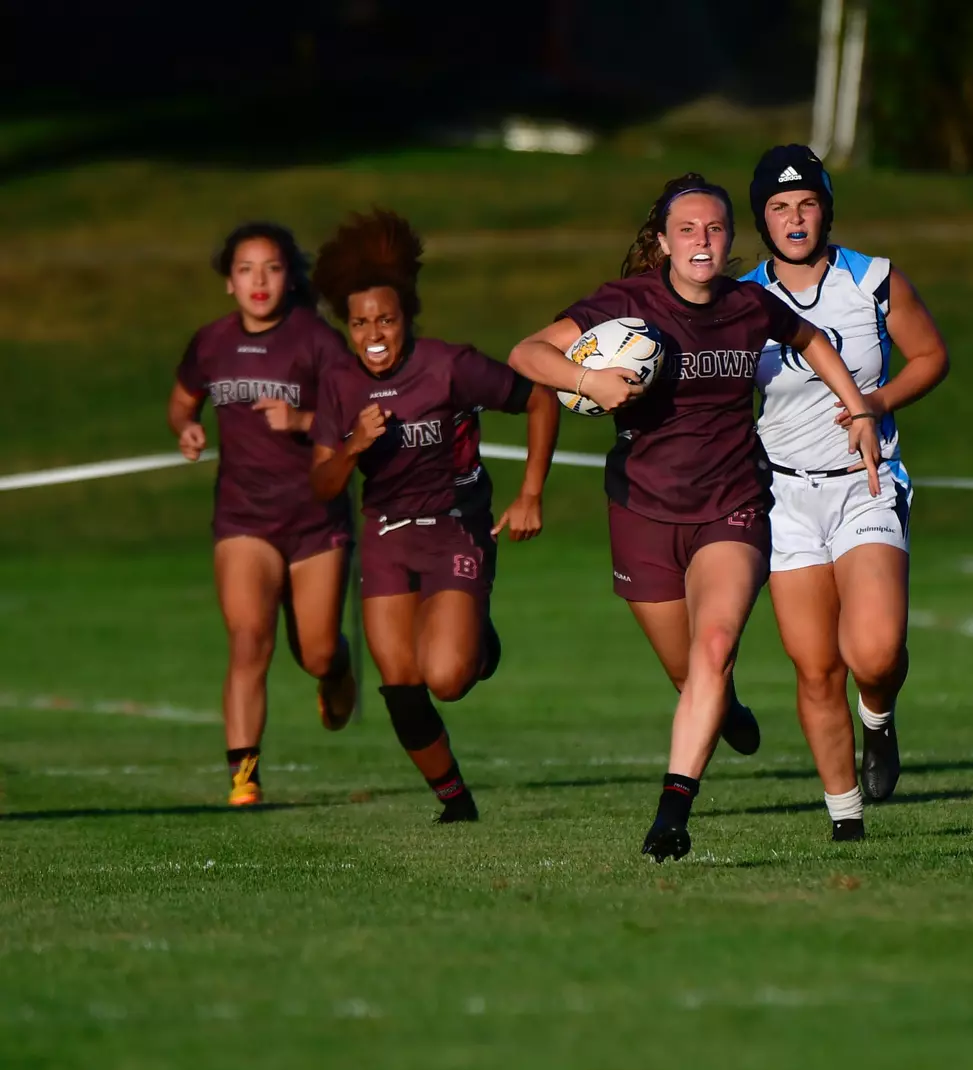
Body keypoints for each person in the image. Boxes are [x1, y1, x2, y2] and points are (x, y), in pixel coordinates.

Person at [507, 173, 881, 861]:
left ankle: (672, 813)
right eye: (687, 230)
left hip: (731, 505)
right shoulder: (627, 304)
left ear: (730, 240)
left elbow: (813, 340)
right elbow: (527, 353)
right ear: (663, 242)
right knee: (689, 674)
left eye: (714, 230)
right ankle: (726, 707)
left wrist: (856, 409)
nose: (701, 242)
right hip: (642, 512)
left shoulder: (749, 305)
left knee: (713, 648)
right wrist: (588, 380)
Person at [309, 209, 557, 824]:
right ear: (346, 326)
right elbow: (321, 483)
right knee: (400, 680)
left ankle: (480, 642)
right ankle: (455, 802)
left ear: (407, 320)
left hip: (455, 526)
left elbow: (540, 399)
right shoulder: (339, 385)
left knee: (445, 677)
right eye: (361, 322)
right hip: (388, 534)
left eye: (386, 320)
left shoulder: (450, 366)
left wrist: (530, 493)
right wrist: (353, 448)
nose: (374, 333)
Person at [737, 145, 949, 840]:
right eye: (778, 207)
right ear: (761, 219)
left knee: (876, 652)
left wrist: (874, 401)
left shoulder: (874, 279)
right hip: (785, 500)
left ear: (826, 208)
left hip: (866, 482)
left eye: (806, 204)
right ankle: (845, 818)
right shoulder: (739, 299)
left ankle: (879, 722)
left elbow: (931, 357)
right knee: (814, 665)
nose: (794, 219)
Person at [166, 222, 359, 808]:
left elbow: (357, 419)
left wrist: (302, 422)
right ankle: (244, 777)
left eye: (271, 268)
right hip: (243, 518)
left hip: (315, 519)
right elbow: (181, 401)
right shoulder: (210, 343)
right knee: (249, 640)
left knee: (317, 650)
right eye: (246, 269)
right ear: (229, 281)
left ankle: (336, 670)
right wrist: (188, 428)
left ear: (287, 276)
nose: (259, 281)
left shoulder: (317, 342)